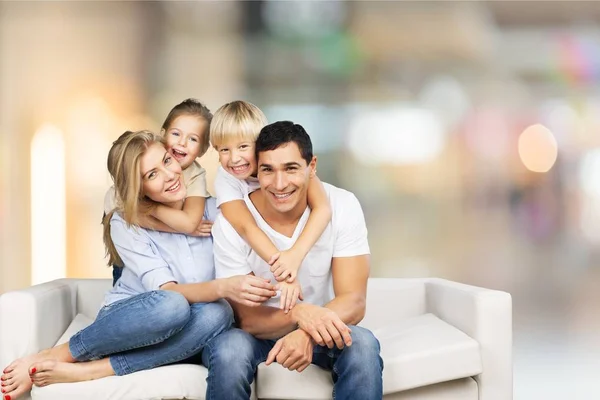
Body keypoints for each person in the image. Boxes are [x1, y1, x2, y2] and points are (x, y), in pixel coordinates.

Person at [0, 130, 276, 400]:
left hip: (195, 330)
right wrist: (223, 286)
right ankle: (56, 355)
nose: (169, 175)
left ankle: (95, 370)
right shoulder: (127, 223)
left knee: (219, 314)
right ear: (138, 187)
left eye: (167, 161)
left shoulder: (217, 210)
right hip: (136, 322)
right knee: (172, 304)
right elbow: (169, 291)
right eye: (151, 175)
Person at [203, 121, 383, 400]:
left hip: (321, 328)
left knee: (362, 344)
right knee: (229, 348)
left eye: (290, 168)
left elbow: (354, 301)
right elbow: (247, 319)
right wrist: (298, 313)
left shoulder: (342, 205)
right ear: (255, 170)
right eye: (268, 170)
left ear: (311, 167)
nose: (279, 184)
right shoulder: (231, 223)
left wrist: (307, 333)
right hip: (258, 334)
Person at [210, 101, 332, 312]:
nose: (234, 158)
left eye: (243, 147)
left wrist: (295, 255)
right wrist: (284, 271)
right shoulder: (226, 178)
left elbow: (323, 209)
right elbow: (246, 227)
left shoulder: (287, 162)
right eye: (224, 149)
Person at [107, 99, 214, 285]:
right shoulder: (129, 178)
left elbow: (189, 224)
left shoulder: (196, 175)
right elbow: (124, 216)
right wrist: (153, 210)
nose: (182, 143)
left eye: (193, 139)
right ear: (163, 135)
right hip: (131, 251)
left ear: (203, 150)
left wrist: (151, 209)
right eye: (176, 134)